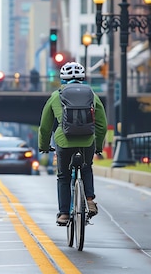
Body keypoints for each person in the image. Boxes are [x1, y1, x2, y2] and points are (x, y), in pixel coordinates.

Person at [38, 61, 107, 225]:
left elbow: (45, 126)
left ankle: (63, 214)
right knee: (86, 167)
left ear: (62, 79)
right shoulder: (92, 94)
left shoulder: (56, 96)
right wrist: (98, 146)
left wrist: (44, 146)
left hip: (64, 141)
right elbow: (102, 125)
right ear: (82, 78)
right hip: (87, 140)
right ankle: (90, 200)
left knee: (63, 176)